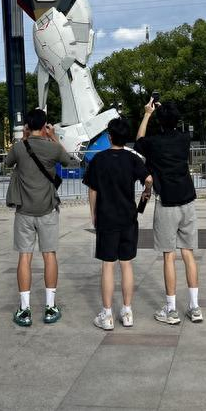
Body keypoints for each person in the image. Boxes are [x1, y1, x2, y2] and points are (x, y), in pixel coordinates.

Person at [135, 98, 202, 324]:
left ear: (160, 122)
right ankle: (194, 307)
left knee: (168, 256)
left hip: (167, 203)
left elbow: (139, 141)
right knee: (188, 253)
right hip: (188, 200)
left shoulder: (154, 143)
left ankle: (171, 309)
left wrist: (147, 114)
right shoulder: (184, 139)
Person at [83, 117, 152, 331]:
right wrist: (146, 194)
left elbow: (92, 190)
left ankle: (107, 314)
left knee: (108, 265)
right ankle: (127, 310)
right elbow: (148, 178)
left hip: (106, 217)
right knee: (127, 263)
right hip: (128, 217)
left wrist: (93, 214)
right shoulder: (132, 159)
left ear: (109, 136)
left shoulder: (99, 159)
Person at [5, 108, 71, 327]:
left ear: (27, 126)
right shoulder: (52, 148)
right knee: (49, 255)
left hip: (24, 211)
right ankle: (50, 306)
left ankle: (25, 309)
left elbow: (8, 162)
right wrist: (52, 136)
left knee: (25, 256)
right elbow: (69, 160)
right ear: (44, 126)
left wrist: (24, 138)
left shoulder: (19, 148)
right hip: (48, 210)